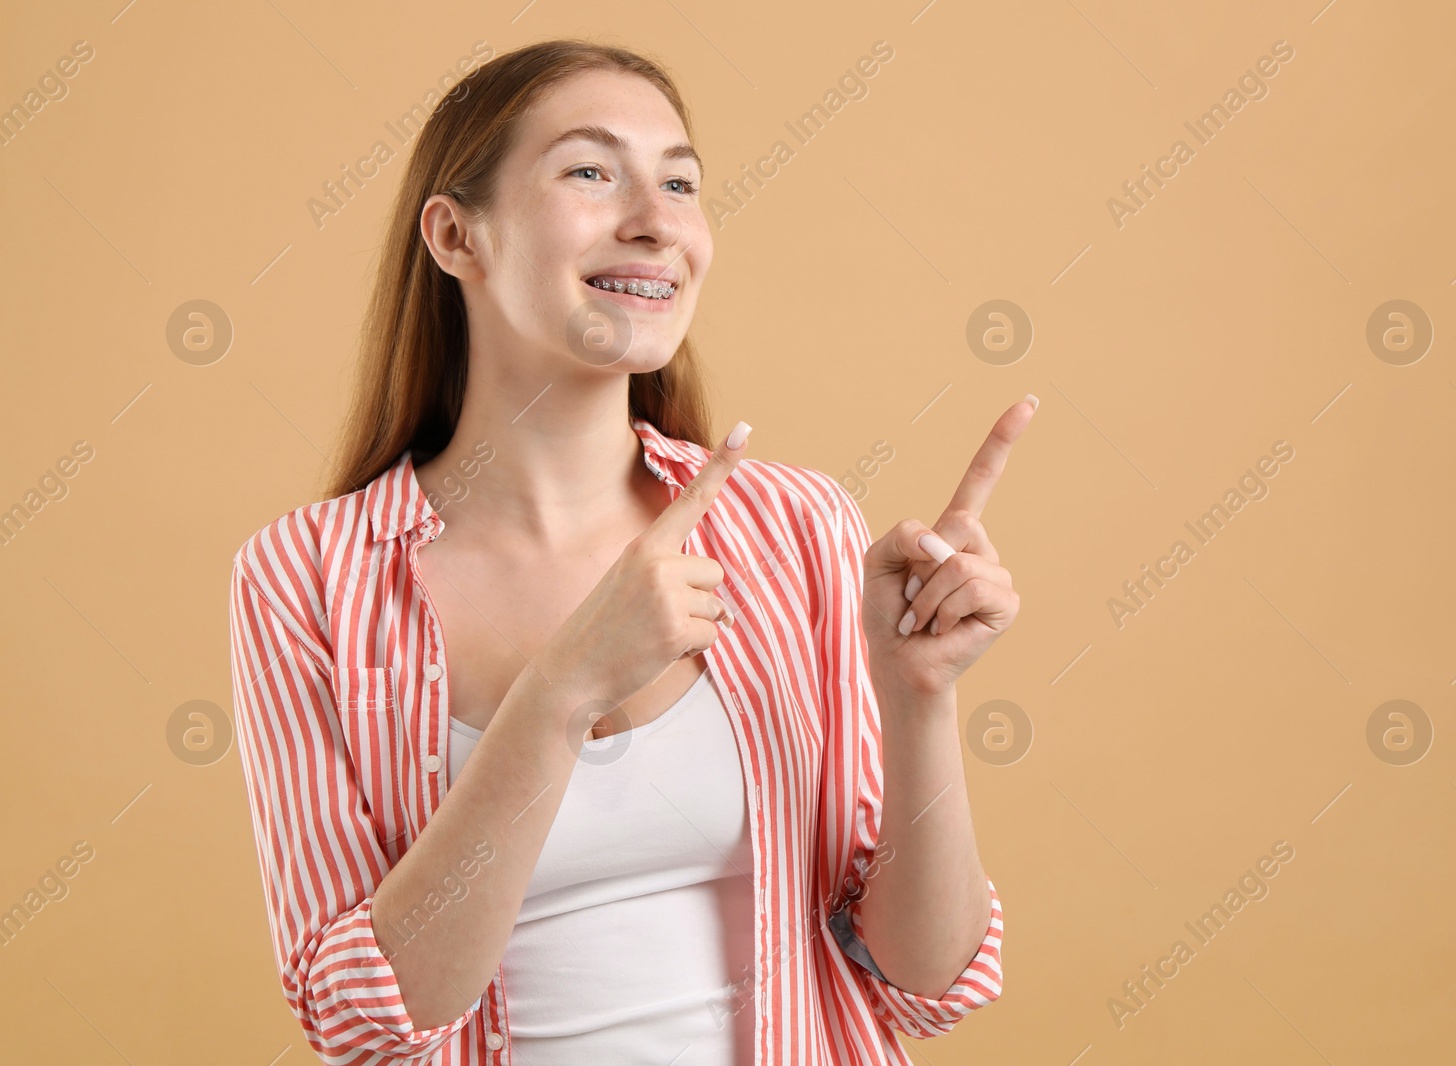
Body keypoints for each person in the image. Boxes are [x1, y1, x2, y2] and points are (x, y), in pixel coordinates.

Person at [227, 37, 1028, 1065]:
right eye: (591, 171)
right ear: (455, 235)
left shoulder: (794, 526)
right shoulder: (306, 577)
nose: (655, 222)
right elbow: (369, 1019)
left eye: (680, 182)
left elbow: (924, 979)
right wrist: (561, 690)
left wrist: (919, 697)